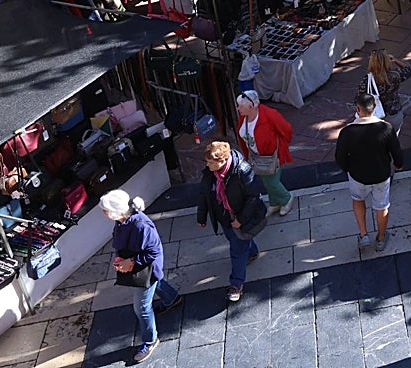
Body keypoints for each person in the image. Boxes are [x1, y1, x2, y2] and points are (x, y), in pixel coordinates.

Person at [102, 190, 181, 364]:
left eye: (106, 210)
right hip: (142, 267)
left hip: (147, 269)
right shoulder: (122, 220)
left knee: (142, 308)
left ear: (119, 211)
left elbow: (153, 251)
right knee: (157, 283)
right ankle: (172, 299)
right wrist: (120, 257)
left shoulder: (140, 226)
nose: (104, 213)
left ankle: (150, 340)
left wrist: (130, 262)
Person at [196, 140, 268, 302]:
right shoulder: (210, 174)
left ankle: (236, 284)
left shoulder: (242, 171)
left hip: (240, 217)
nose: (208, 165)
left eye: (211, 162)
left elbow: (253, 197)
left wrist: (241, 220)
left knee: (237, 250)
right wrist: (202, 216)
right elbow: (204, 195)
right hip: (224, 217)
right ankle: (253, 252)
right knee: (238, 239)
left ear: (222, 161)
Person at [335, 91, 404, 252]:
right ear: (374, 108)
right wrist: (398, 165)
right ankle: (380, 238)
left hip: (357, 175)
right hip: (381, 175)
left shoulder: (347, 132)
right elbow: (397, 152)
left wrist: (348, 169)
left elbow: (339, 156)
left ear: (358, 109)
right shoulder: (386, 128)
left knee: (358, 200)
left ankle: (363, 234)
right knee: (382, 206)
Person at [234, 90, 294, 217]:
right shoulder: (243, 118)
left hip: (272, 156)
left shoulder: (270, 115)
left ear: (250, 107)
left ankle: (286, 198)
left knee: (272, 182)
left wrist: (282, 147)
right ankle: (274, 203)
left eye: (240, 106)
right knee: (267, 181)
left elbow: (286, 129)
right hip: (256, 157)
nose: (238, 108)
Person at [367, 49, 411, 133]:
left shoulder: (368, 79)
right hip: (394, 114)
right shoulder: (395, 75)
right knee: (393, 141)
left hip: (376, 116)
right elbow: (407, 70)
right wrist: (395, 60)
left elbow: (358, 99)